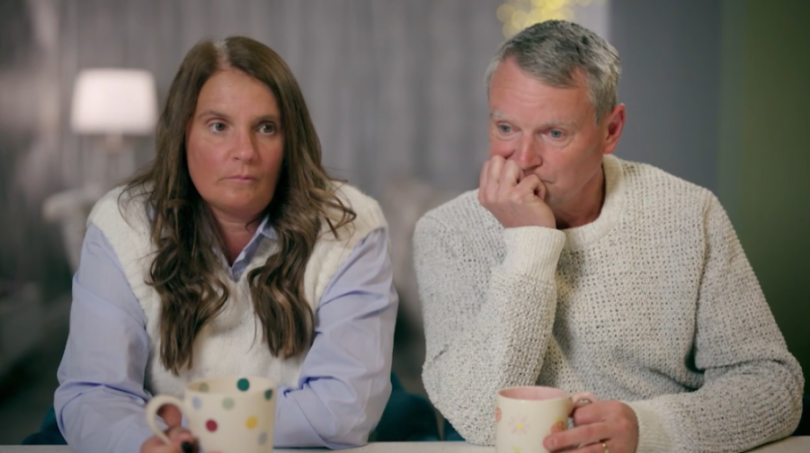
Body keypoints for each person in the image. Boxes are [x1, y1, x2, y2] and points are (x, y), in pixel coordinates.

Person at [414, 20, 803, 453]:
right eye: (505, 128)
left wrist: (648, 428)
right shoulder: (447, 232)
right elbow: (477, 415)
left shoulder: (689, 213)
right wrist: (530, 244)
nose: (522, 159)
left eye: (554, 133)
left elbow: (773, 386)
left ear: (611, 130)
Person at [54, 36, 398, 453]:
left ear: (290, 141)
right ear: (183, 133)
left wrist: (195, 424)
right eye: (219, 126)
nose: (245, 152)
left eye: (266, 128)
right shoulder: (121, 223)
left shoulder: (351, 225)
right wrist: (149, 443)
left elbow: (343, 410)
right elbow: (94, 392)